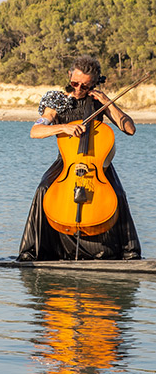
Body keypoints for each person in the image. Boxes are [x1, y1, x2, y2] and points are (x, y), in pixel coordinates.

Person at [17, 55, 141, 261]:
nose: (78, 89)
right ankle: (32, 251)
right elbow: (35, 131)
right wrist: (64, 127)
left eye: (84, 86)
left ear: (94, 83)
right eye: (74, 83)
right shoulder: (57, 99)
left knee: (117, 194)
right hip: (66, 161)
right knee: (43, 188)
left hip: (97, 163)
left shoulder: (99, 101)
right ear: (69, 75)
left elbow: (129, 129)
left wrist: (107, 102)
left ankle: (128, 252)